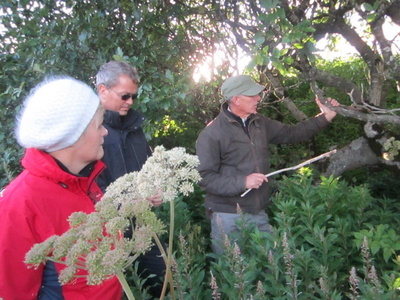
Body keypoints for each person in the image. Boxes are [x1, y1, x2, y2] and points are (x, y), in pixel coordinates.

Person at [0, 77, 121, 299]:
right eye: (99, 125)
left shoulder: (85, 180)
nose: (105, 132)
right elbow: (14, 291)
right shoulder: (18, 204)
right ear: (73, 136)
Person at [195, 74, 340, 254]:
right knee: (231, 273)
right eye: (252, 95)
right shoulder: (212, 134)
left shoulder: (259, 122)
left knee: (271, 267)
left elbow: (292, 133)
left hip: (258, 212)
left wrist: (325, 117)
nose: (258, 98)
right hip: (227, 216)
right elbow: (204, 178)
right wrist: (243, 182)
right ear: (235, 99)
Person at [95, 60, 165, 297]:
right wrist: (123, 204)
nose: (130, 102)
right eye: (125, 96)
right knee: (115, 289)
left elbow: (147, 167)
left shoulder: (135, 126)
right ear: (103, 90)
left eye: (133, 96)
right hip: (107, 229)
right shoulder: (89, 130)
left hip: (144, 223)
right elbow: (89, 184)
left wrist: (156, 190)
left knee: (165, 278)